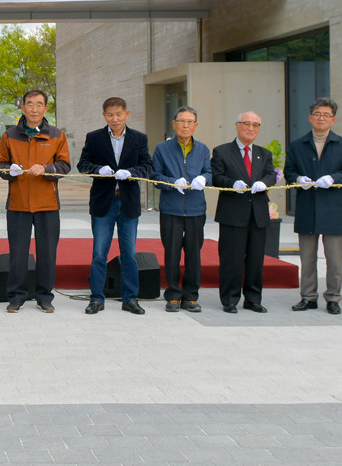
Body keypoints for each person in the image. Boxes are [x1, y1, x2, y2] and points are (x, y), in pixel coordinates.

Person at [0, 89, 70, 313]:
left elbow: (65, 166)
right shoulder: (10, 135)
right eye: (30, 104)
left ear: (46, 108)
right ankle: (16, 296)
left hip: (48, 203)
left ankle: (44, 296)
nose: (34, 109)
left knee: (47, 252)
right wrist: (10, 170)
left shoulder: (57, 135)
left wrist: (46, 168)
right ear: (22, 107)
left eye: (39, 104)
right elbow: (0, 165)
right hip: (18, 203)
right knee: (18, 253)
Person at [77, 96, 152, 315]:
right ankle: (96, 298)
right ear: (104, 116)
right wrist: (98, 169)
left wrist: (132, 172)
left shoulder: (139, 138)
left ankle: (130, 299)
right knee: (99, 253)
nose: (115, 119)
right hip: (104, 202)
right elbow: (83, 164)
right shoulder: (94, 137)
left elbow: (148, 166)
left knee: (129, 254)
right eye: (110, 115)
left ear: (126, 114)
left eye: (119, 114)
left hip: (128, 203)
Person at [284, 98, 342, 315]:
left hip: (332, 207)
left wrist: (333, 178)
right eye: (317, 114)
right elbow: (289, 171)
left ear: (333, 120)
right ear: (310, 118)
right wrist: (298, 179)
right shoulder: (298, 144)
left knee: (334, 259)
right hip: (307, 206)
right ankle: (308, 297)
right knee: (307, 258)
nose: (321, 118)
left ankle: (333, 298)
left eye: (326, 115)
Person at [212, 111, 274, 313]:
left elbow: (271, 175)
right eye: (247, 123)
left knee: (256, 260)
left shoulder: (264, 154)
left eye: (255, 125)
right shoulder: (222, 151)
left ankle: (253, 299)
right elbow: (215, 177)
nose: (251, 128)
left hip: (258, 214)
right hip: (232, 214)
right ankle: (229, 299)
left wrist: (264, 183)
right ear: (237, 125)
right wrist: (232, 184)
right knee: (232, 259)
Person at [150, 106, 209, 313]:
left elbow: (210, 173)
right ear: (174, 124)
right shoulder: (162, 149)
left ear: (196, 125)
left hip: (196, 210)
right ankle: (173, 295)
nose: (186, 125)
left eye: (190, 121)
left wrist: (204, 178)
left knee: (194, 254)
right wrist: (172, 182)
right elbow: (154, 177)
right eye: (181, 121)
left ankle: (191, 297)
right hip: (171, 210)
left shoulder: (203, 149)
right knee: (172, 254)